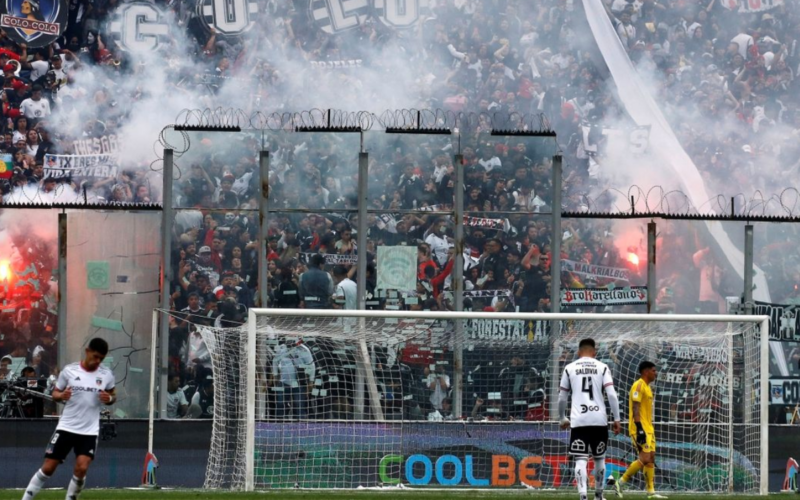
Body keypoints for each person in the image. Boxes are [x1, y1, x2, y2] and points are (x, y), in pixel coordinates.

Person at [21, 337, 115, 500]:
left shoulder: (106, 375)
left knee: (81, 468)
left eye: (101, 358)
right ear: (87, 351)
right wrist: (61, 395)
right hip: (66, 427)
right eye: (95, 356)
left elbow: (113, 395)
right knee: (48, 468)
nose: (97, 361)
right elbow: (55, 393)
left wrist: (110, 399)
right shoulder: (69, 371)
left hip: (89, 430)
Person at [558, 338, 622, 500]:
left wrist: (562, 417)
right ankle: (599, 496)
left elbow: (562, 397)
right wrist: (617, 418)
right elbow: (612, 395)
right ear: (595, 353)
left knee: (580, 459)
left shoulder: (569, 368)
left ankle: (583, 496)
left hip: (579, 420)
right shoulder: (602, 367)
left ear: (579, 352)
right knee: (599, 458)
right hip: (598, 419)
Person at [612, 361, 666, 499]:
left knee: (651, 458)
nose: (656, 373)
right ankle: (620, 482)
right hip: (638, 428)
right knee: (645, 457)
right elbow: (635, 407)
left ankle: (650, 492)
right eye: (654, 370)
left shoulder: (648, 387)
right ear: (646, 371)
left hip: (649, 428)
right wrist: (640, 429)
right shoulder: (639, 385)